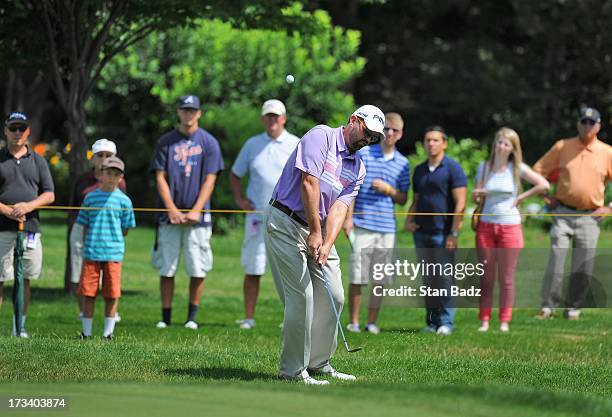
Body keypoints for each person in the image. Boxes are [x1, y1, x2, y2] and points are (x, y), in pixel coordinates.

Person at [264, 104, 385, 385]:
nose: (367, 141)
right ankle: (292, 371)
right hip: (285, 221)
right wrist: (315, 233)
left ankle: (318, 362)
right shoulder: (321, 137)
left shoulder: (359, 168)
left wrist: (327, 242)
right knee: (302, 297)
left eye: (374, 139)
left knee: (337, 296)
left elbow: (340, 209)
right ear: (353, 120)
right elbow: (309, 183)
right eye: (366, 133)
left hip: (317, 229)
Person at [150, 94, 224, 330]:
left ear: (199, 113)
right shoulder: (166, 141)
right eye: (184, 110)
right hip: (168, 216)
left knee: (197, 266)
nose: (188, 114)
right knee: (167, 267)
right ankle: (165, 317)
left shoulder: (209, 142)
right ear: (178, 112)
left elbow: (210, 179)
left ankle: (191, 317)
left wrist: (196, 210)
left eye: (192, 110)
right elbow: (159, 175)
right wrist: (171, 208)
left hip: (198, 218)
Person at [533, 107, 612, 320]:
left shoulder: (607, 152)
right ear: (578, 123)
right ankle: (548, 307)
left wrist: (610, 207)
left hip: (590, 216)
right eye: (583, 121)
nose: (587, 126)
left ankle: (574, 308)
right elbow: (537, 171)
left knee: (583, 265)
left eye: (591, 122)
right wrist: (545, 195)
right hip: (562, 213)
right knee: (556, 260)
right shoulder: (563, 146)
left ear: (598, 126)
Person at [231, 99, 300, 330]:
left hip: (286, 218)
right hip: (256, 217)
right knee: (253, 267)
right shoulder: (252, 145)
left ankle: (290, 318)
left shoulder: (296, 144)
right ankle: (249, 317)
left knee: (287, 270)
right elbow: (235, 174)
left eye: (276, 116)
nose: (272, 120)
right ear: (263, 119)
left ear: (284, 119)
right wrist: (240, 200)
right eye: (268, 116)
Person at [472, 127, 549, 332]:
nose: (502, 146)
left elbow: (544, 185)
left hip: (510, 228)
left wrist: (520, 198)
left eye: (507, 144)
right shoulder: (484, 167)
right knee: (486, 277)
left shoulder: (517, 168)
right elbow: (478, 196)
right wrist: (477, 194)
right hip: (486, 227)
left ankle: (504, 321)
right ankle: (484, 321)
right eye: (499, 142)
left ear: (513, 148)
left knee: (506, 278)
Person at [343, 112, 410, 335]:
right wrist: (348, 218)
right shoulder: (366, 154)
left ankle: (371, 323)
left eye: (395, 130)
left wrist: (389, 190)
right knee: (358, 276)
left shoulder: (403, 163)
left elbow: (403, 198)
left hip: (387, 228)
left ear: (400, 135)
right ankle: (353, 322)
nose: (390, 133)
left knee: (380, 279)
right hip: (362, 223)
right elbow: (352, 188)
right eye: (387, 129)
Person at [404, 126, 467, 336]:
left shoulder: (453, 168)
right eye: (428, 140)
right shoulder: (420, 170)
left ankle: (446, 322)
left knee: (444, 278)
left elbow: (461, 204)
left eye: (435, 140)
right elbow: (417, 199)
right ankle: (432, 322)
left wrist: (454, 233)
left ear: (445, 143)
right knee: (428, 278)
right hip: (421, 232)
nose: (431, 144)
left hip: (444, 233)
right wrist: (409, 220)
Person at [0, 111, 55, 337]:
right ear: (5, 131)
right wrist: (7, 210)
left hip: (30, 228)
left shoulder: (38, 160)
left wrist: (27, 207)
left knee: (25, 278)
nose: (17, 133)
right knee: (0, 278)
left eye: (21, 129)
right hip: (2, 228)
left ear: (28, 131)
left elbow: (49, 194)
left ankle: (18, 328)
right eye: (13, 128)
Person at [76, 156, 135, 340]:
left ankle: (108, 334)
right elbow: (84, 224)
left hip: (113, 253)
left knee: (111, 293)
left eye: (115, 175)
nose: (111, 177)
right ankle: (86, 333)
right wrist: (88, 245)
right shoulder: (90, 198)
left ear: (121, 178)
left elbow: (126, 228)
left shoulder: (124, 201)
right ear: (101, 174)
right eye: (108, 173)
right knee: (88, 293)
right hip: (92, 252)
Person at [68, 138, 126, 322]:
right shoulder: (83, 179)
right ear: (92, 158)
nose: (103, 159)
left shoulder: (120, 182)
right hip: (83, 227)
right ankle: (83, 312)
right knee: (80, 272)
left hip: (109, 232)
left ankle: (110, 313)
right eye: (99, 155)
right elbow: (74, 207)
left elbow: (124, 213)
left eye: (108, 155)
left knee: (110, 275)